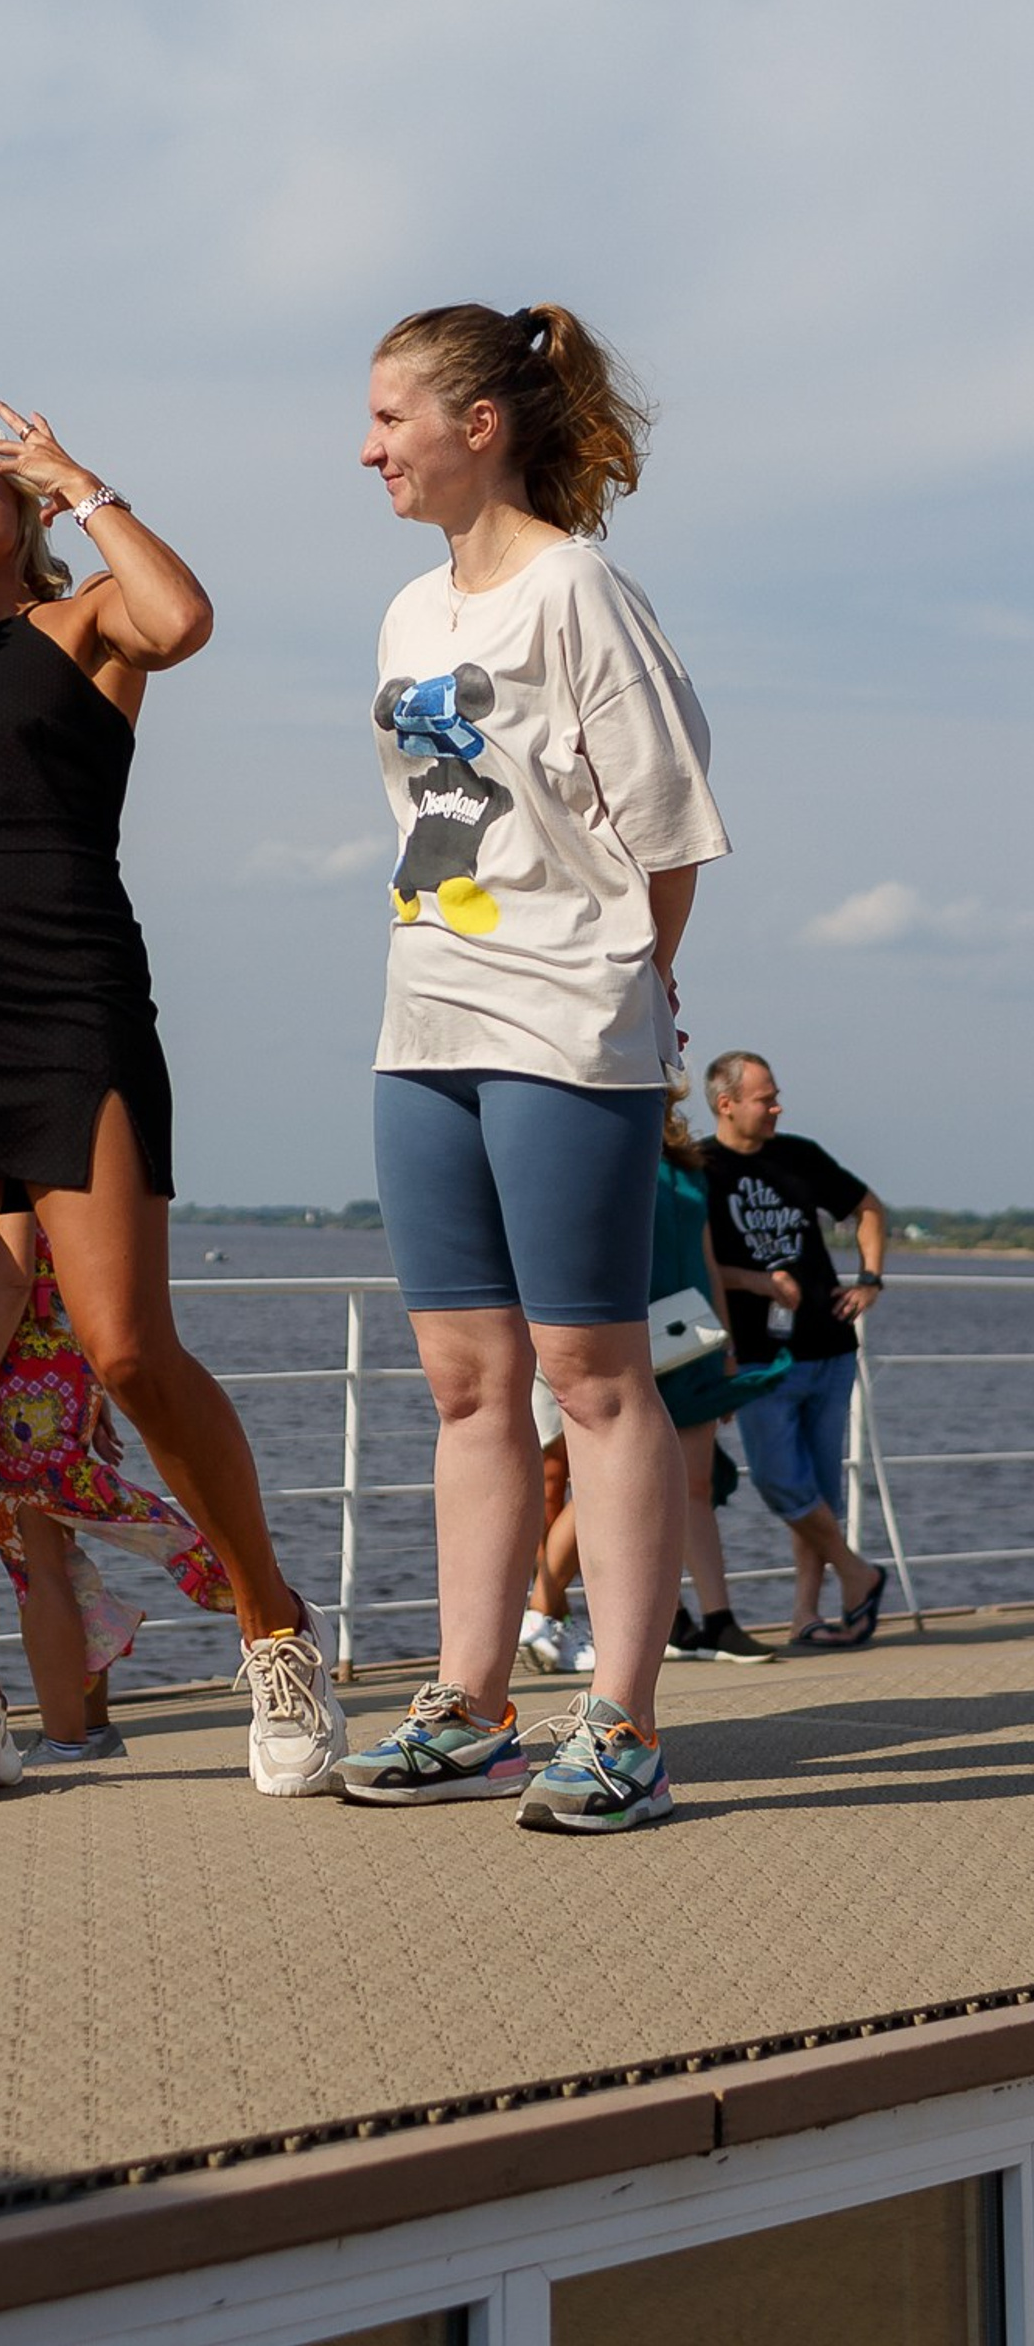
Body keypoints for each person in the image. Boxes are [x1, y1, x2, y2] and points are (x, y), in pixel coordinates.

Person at [0, 398, 343, 1806]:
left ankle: (276, 1633)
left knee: (126, 1350)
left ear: (17, 501)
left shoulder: (84, 623)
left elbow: (186, 620)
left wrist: (79, 480)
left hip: (69, 1010)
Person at [331, 303, 730, 1835]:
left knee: (594, 1375)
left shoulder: (580, 593)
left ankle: (621, 1723)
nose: (366, 448)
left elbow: (669, 833)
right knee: (464, 1379)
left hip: (567, 1026)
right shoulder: (406, 616)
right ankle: (474, 1699)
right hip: (422, 1022)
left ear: (476, 425)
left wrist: (631, 991)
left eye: (388, 418)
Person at [519, 1085, 790, 1671]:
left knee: (690, 1483)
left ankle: (716, 1620)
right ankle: (543, 1610)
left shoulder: (691, 1165)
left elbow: (707, 1256)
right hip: (629, 1334)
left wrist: (727, 1348)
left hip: (690, 1336)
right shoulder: (606, 1150)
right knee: (605, 1481)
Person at [0, 1212, 235, 1760]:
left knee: (37, 1562)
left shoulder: (3, 1144)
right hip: (59, 1357)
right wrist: (87, 1378)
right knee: (62, 1562)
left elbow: (14, 1273)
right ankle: (90, 1728)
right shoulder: (64, 1160)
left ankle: (65, 1739)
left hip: (17, 1371)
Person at [701, 1048, 892, 1646]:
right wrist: (753, 1282)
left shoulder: (799, 1156)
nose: (777, 1107)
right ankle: (859, 1575)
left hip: (828, 1348)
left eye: (776, 1095)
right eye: (766, 1098)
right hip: (757, 1356)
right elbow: (697, 1266)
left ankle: (806, 1616)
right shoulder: (699, 1167)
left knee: (819, 1491)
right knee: (784, 1483)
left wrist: (870, 1279)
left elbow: (867, 1208)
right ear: (725, 1104)